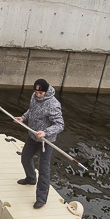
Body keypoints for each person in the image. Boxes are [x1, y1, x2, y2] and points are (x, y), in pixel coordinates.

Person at [15, 78, 65, 209]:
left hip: (46, 141)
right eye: (36, 93)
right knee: (25, 158)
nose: (37, 95)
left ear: (46, 91)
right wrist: (23, 118)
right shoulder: (34, 96)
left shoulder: (53, 104)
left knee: (44, 169)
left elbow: (60, 125)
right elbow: (31, 111)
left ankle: (41, 199)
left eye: (40, 93)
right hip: (32, 137)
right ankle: (31, 178)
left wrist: (46, 132)